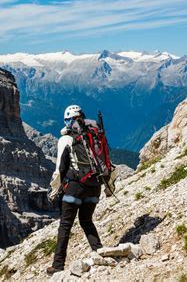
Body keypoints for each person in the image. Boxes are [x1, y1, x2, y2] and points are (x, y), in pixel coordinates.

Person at [46, 105, 104, 275]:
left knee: (65, 225)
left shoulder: (66, 139)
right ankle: (99, 251)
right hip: (95, 187)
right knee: (86, 220)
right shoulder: (95, 134)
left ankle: (57, 265)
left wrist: (54, 190)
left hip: (75, 189)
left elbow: (60, 169)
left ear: (68, 121)